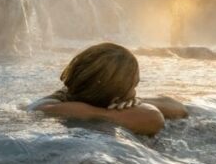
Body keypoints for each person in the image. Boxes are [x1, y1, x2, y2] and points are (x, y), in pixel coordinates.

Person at [28, 42, 187, 135]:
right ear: (115, 98)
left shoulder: (69, 95)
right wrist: (109, 113)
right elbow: (154, 118)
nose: (135, 92)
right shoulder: (50, 107)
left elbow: (178, 108)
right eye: (135, 85)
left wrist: (132, 102)